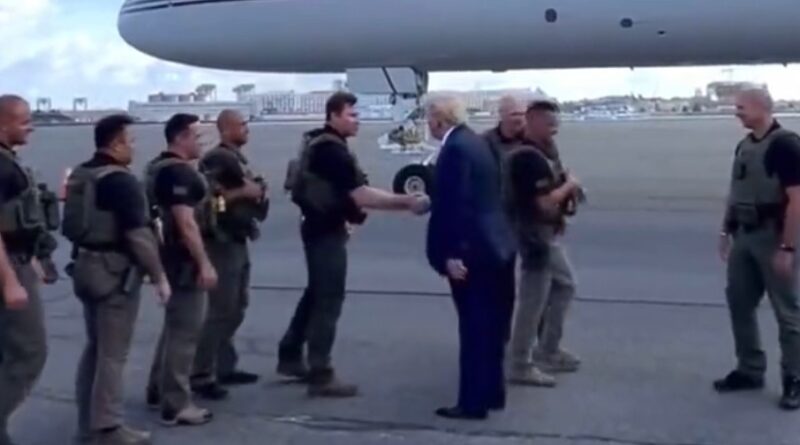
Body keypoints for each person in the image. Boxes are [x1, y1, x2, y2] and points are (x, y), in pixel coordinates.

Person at [277, 91, 430, 398]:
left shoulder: (318, 142)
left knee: (316, 293)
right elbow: (361, 195)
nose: (357, 120)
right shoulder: (333, 152)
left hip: (316, 226)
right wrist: (407, 202)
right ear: (333, 116)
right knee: (328, 300)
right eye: (351, 115)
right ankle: (321, 373)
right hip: (324, 232)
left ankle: (291, 357)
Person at [63, 114, 171, 445]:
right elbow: (139, 235)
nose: (134, 148)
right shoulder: (120, 181)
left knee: (95, 348)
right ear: (115, 144)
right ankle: (108, 428)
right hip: (113, 271)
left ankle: (87, 424)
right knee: (113, 354)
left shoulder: (83, 174)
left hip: (85, 265)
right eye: (131, 141)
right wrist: (159, 276)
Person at [425, 94, 516, 420]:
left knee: (474, 328)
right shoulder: (479, 143)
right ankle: (491, 393)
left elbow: (456, 207)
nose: (428, 125)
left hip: (473, 252)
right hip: (497, 246)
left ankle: (473, 403)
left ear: (438, 119)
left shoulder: (454, 151)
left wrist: (452, 254)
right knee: (490, 329)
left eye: (429, 119)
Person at [714, 87, 800, 411]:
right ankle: (750, 369)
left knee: (787, 312)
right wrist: (726, 230)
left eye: (741, 107)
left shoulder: (785, 146)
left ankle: (794, 378)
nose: (736, 112)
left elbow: (797, 200)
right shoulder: (745, 146)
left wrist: (788, 247)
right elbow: (736, 191)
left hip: (773, 236)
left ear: (762, 108)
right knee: (739, 302)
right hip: (745, 235)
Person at [145, 113, 218, 426]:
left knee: (174, 327)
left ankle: (157, 389)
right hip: (182, 259)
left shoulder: (156, 167)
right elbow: (186, 223)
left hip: (166, 255)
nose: (201, 142)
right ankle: (176, 404)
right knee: (186, 332)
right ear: (181, 137)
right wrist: (204, 263)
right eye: (197, 136)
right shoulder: (179, 174)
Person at [505, 100, 583, 388]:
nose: (555, 129)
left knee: (565, 285)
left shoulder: (545, 153)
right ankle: (521, 363)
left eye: (556, 123)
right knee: (532, 299)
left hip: (546, 234)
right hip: (535, 236)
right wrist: (570, 186)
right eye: (549, 123)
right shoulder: (528, 158)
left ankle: (548, 349)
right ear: (532, 121)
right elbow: (544, 203)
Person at [191, 110, 267, 398]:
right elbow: (210, 203)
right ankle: (200, 373)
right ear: (225, 130)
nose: (247, 129)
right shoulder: (217, 160)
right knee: (221, 310)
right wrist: (244, 193)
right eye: (241, 125)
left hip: (237, 238)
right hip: (220, 242)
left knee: (237, 306)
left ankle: (224, 365)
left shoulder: (234, 160)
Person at [0, 95, 47, 445]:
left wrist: (30, 259)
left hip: (17, 259)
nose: (30, 126)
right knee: (30, 352)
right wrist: (11, 280)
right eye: (23, 120)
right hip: (7, 268)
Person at [483, 95, 527, 345]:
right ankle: (500, 338)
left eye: (522, 114)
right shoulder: (485, 144)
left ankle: (538, 343)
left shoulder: (532, 141)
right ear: (501, 115)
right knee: (502, 287)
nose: (520, 120)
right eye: (514, 115)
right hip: (500, 224)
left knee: (545, 286)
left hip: (530, 223)